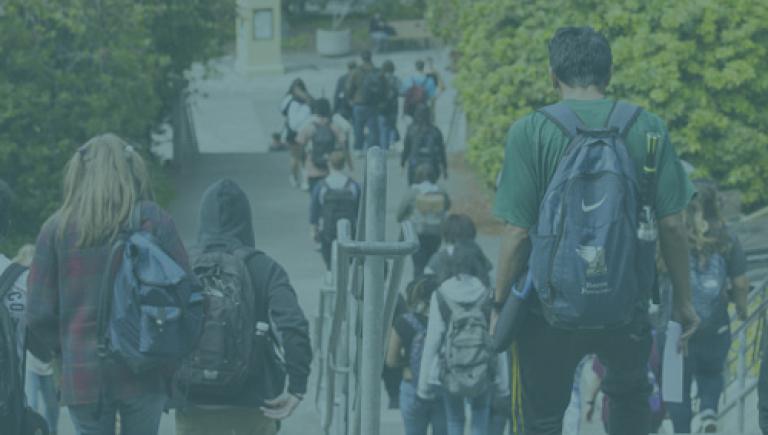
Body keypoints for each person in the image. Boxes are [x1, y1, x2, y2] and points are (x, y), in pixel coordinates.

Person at [493, 27, 699, 435]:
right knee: (628, 394)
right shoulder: (649, 127)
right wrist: (684, 302)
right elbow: (673, 225)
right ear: (609, 73)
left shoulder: (529, 131)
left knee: (542, 416)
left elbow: (516, 233)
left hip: (547, 308)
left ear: (553, 75)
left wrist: (499, 304)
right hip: (627, 301)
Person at [27, 134, 193, 435]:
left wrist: (65, 347)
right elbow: (188, 293)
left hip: (83, 373)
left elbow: (37, 314)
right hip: (147, 365)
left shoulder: (56, 228)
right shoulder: (153, 220)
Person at [174, 178, 312, 435]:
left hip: (192, 403)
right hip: (253, 403)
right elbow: (292, 325)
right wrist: (297, 386)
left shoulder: (182, 264)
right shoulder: (265, 267)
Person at [665, 180, 749, 433]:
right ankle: (709, 412)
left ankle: (682, 430)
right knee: (712, 373)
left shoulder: (672, 234)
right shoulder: (727, 238)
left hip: (676, 325)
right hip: (715, 323)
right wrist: (743, 310)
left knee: (675, 387)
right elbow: (742, 282)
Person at [418, 243, 495, 435]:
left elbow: (433, 339)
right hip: (483, 367)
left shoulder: (442, 293)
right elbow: (494, 336)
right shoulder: (487, 293)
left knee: (454, 420)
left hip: (451, 367)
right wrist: (502, 380)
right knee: (480, 414)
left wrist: (424, 382)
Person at [386, 275, 447, 435]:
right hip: (442, 387)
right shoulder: (448, 321)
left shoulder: (404, 322)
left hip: (412, 385)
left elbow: (391, 360)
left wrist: (407, 364)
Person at [17, 244, 59, 435]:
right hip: (29, 362)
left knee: (52, 407)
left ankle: (53, 431)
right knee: (31, 404)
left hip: (47, 362)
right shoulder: (17, 292)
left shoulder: (44, 292)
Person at [396, 163, 451, 277]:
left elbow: (400, 213)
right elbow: (448, 205)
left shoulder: (413, 192)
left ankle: (417, 290)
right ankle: (430, 287)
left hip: (418, 233)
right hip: (436, 233)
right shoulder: (440, 190)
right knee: (432, 263)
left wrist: (403, 219)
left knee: (418, 265)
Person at [310, 150, 362, 270]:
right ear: (343, 164)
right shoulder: (353, 185)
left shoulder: (321, 186)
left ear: (329, 164)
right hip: (350, 230)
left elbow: (314, 210)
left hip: (328, 230)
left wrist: (313, 229)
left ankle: (330, 273)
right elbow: (360, 211)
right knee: (349, 261)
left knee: (329, 261)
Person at [296, 98, 353, 194]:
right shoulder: (334, 125)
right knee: (328, 197)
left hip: (312, 168)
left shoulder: (309, 126)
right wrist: (350, 164)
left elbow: (301, 147)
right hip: (330, 168)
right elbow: (344, 145)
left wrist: (303, 164)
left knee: (315, 198)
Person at [426, 214, 492, 287]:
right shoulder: (477, 254)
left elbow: (427, 275)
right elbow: (489, 275)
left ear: (445, 234)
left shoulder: (438, 257)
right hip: (476, 296)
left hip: (446, 296)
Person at [346, 50, 382, 155]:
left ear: (361, 58)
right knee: (373, 128)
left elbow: (349, 88)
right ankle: (372, 149)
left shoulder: (356, 71)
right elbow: (384, 88)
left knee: (358, 127)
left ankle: (358, 149)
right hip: (373, 104)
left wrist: (350, 99)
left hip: (359, 104)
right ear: (371, 57)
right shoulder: (377, 71)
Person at [402, 104, 447, 185]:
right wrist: (445, 167)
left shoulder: (411, 130)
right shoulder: (435, 131)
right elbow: (442, 151)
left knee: (413, 189)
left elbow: (406, 149)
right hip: (432, 165)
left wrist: (402, 163)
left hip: (414, 165)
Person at [281, 78, 314, 189]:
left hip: (299, 132)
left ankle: (302, 179)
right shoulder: (294, 100)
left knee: (303, 157)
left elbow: (282, 111)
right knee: (296, 157)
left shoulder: (290, 98)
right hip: (294, 132)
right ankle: (295, 177)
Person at [378, 60, 402, 152]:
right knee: (392, 125)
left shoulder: (379, 78)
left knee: (383, 127)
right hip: (393, 106)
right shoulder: (395, 79)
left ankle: (384, 147)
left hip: (381, 107)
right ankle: (392, 143)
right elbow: (402, 91)